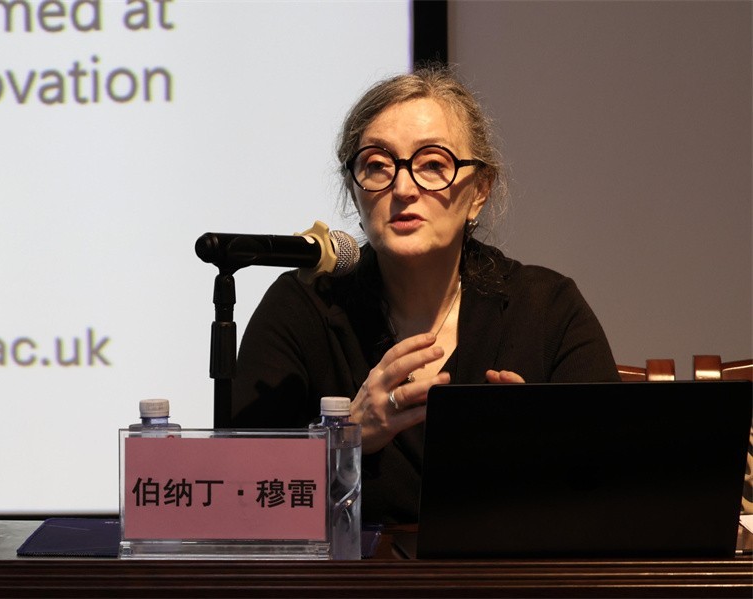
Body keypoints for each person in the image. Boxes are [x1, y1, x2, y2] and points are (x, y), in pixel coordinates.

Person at [230, 64, 620, 524]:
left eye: (433, 164)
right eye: (377, 165)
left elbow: (619, 489)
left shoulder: (546, 308)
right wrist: (345, 438)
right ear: (354, 192)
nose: (403, 188)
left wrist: (544, 450)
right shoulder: (303, 306)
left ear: (479, 191)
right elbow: (235, 493)